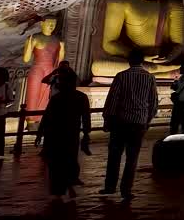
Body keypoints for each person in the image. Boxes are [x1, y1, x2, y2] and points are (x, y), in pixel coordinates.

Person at [100, 49, 158, 201]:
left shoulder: (122, 76)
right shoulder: (150, 77)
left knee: (114, 155)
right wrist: (147, 120)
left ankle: (110, 186)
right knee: (132, 158)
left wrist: (107, 119)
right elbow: (153, 103)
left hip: (120, 121)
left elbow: (112, 99)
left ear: (129, 60)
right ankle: (126, 189)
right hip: (138, 122)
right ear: (143, 61)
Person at [37, 69, 91, 202]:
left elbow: (47, 117)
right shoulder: (81, 97)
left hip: (55, 134)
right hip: (70, 133)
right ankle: (68, 184)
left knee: (57, 163)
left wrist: (40, 133)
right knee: (69, 160)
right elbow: (86, 118)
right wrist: (86, 133)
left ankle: (59, 189)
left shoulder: (57, 98)